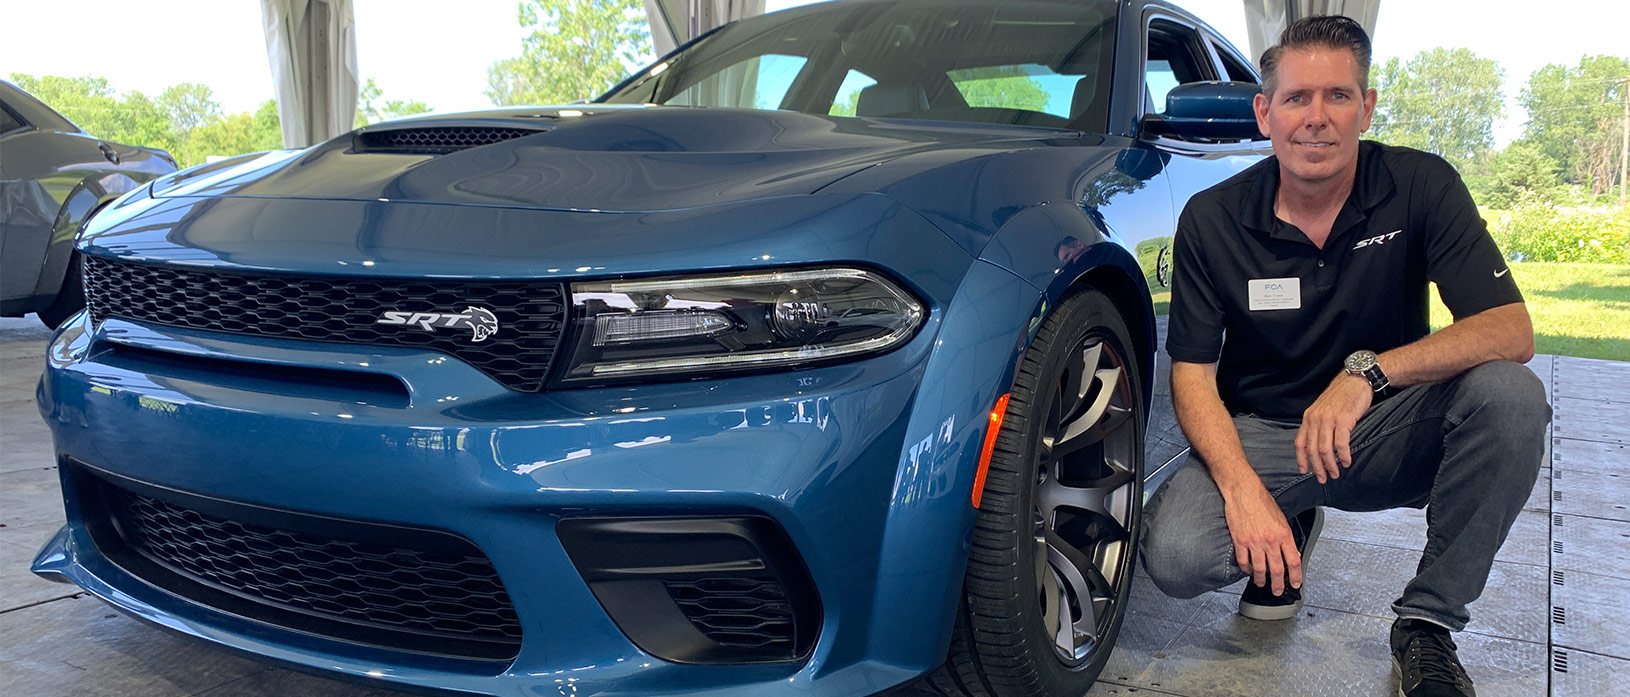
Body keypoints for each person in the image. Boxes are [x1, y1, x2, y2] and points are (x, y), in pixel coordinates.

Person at [1140, 15, 1550, 697]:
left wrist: (1369, 373)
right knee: (1177, 554)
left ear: (1367, 108)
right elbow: (1191, 374)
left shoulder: (1420, 185)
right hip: (1269, 433)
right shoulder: (1212, 219)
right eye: (1297, 98)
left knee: (1512, 398)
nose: (1317, 118)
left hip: (1392, 428)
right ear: (1265, 114)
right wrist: (1243, 489)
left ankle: (1427, 622)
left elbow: (1511, 329)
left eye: (1338, 96)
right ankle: (1289, 515)